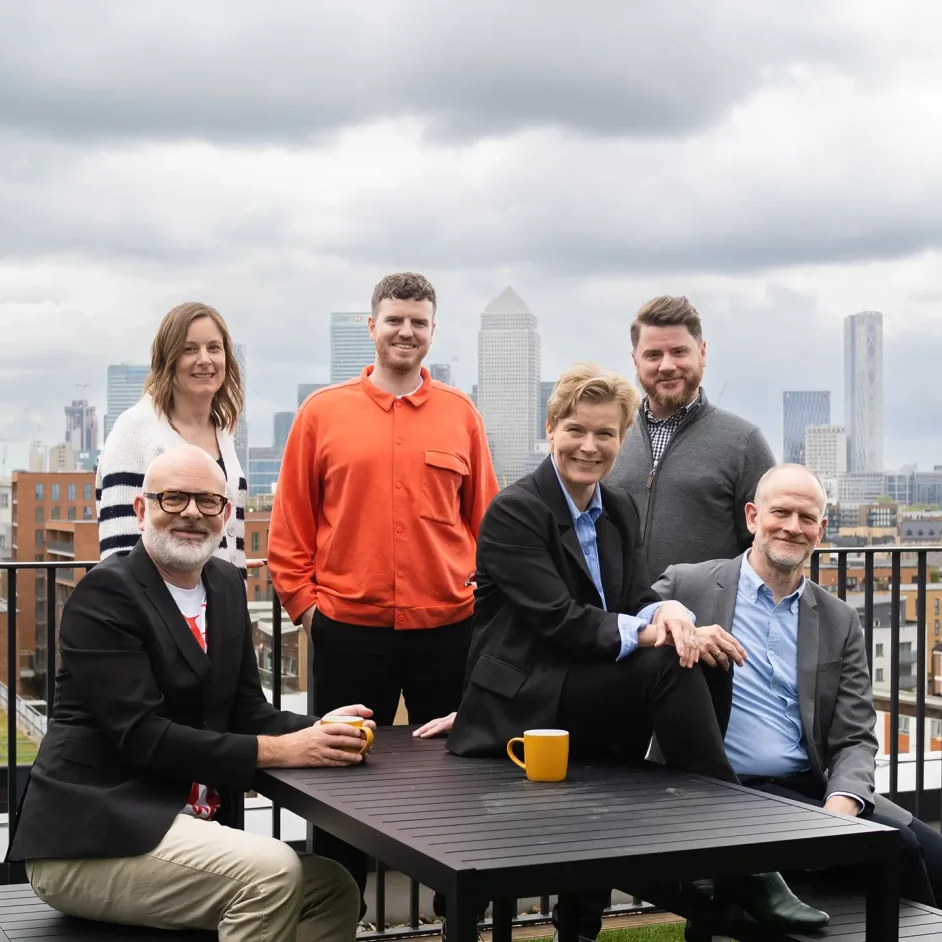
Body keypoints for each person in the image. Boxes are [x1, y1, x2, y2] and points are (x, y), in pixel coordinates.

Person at [416, 364, 829, 940]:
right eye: (577, 430)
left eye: (606, 434)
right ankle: (742, 857)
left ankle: (692, 865)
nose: (590, 446)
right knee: (666, 662)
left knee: (700, 652)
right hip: (523, 699)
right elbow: (558, 621)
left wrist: (675, 616)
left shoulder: (617, 509)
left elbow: (635, 595)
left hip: (586, 691)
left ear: (622, 438)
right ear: (551, 428)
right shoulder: (515, 511)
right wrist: (654, 632)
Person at [8, 446, 371, 942]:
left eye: (207, 502)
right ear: (141, 510)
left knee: (334, 888)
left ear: (225, 513)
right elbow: (142, 736)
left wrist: (319, 730)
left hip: (176, 829)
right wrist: (284, 750)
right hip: (92, 839)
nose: (191, 514)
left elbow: (246, 710)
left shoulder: (224, 584)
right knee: (271, 872)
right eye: (173, 498)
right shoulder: (106, 594)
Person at [268, 272, 499, 902]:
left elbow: (488, 525)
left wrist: (483, 611)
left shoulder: (461, 416)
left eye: (419, 322)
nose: (406, 331)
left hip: (448, 631)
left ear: (432, 332)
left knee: (458, 782)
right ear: (371, 327)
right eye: (394, 319)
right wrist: (310, 613)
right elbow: (290, 528)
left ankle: (459, 917)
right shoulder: (323, 413)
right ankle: (337, 914)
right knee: (340, 780)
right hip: (348, 631)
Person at [653, 464, 942, 940]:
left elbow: (855, 734)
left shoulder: (839, 619)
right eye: (780, 512)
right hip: (730, 790)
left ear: (821, 530)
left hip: (817, 788)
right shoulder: (691, 586)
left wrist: (841, 805)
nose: (792, 526)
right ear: (752, 517)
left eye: (806, 517)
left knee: (934, 856)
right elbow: (631, 618)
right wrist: (664, 611)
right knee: (899, 850)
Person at [608, 295, 775, 582]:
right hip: (620, 621)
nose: (667, 365)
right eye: (653, 355)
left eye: (678, 352)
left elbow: (768, 545)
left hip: (707, 624)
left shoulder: (743, 443)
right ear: (635, 362)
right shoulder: (610, 437)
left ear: (703, 353)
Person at [97, 301, 249, 578]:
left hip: (221, 607)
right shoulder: (136, 429)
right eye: (189, 349)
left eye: (214, 347)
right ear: (168, 359)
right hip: (159, 612)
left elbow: (229, 535)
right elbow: (118, 550)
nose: (205, 359)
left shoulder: (223, 432)